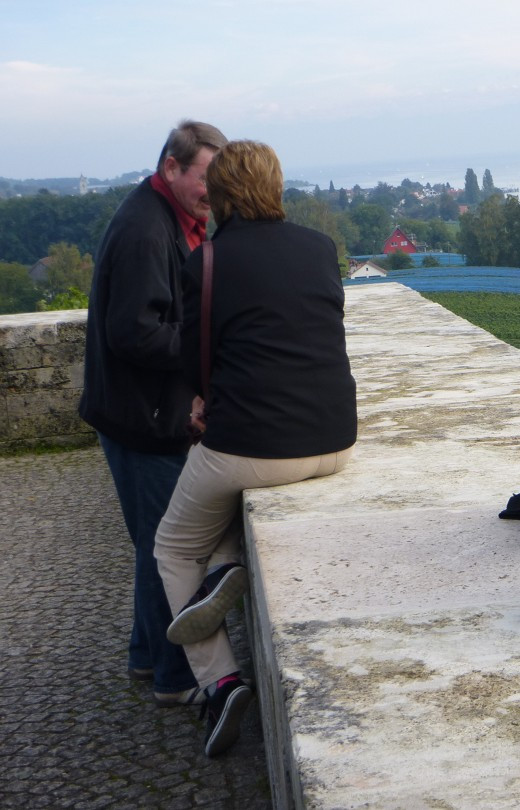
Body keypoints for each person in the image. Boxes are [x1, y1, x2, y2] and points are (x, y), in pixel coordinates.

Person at [154, 140, 358, 756]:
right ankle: (224, 567)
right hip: (333, 439)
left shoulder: (208, 260)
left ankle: (220, 683)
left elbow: (195, 359)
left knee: (171, 546)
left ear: (219, 192)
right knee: (215, 525)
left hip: (254, 445)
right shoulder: (320, 248)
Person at [80, 120, 227, 706]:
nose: (212, 192)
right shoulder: (147, 228)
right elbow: (134, 333)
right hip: (141, 418)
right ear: (172, 167)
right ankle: (175, 676)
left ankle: (147, 656)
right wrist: (204, 348)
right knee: (172, 550)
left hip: (139, 411)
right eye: (205, 178)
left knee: (154, 542)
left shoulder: (168, 215)